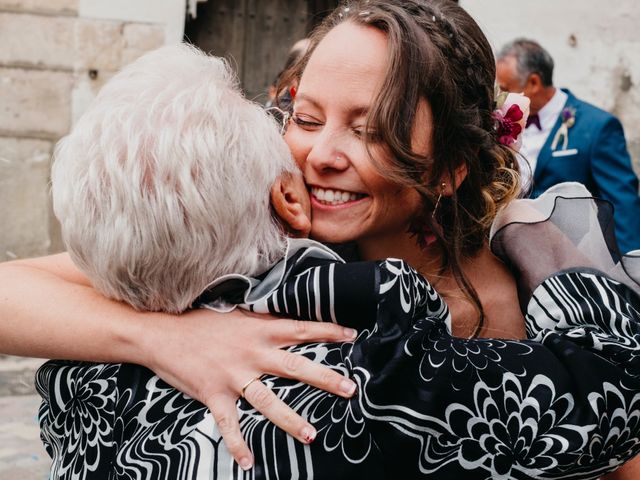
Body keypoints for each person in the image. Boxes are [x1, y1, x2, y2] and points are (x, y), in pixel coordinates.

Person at [0, 0, 639, 477]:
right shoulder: (250, 249)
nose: (319, 155)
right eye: (304, 117)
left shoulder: (549, 291)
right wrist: (167, 335)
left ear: (450, 166)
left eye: (369, 129)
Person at [495, 38, 640, 253]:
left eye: (506, 89)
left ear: (533, 83)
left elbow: (622, 206)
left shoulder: (597, 127)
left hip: (574, 259)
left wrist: (629, 275)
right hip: (513, 254)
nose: (501, 98)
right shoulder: (504, 122)